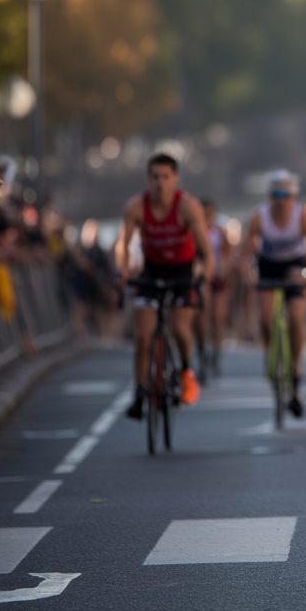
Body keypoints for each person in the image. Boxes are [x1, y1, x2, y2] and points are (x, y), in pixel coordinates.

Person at [116, 153, 214, 419]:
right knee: (143, 334)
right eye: (155, 177)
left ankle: (184, 369)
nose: (160, 183)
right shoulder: (135, 207)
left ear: (175, 179)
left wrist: (204, 276)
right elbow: (123, 245)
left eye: (166, 177)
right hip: (152, 271)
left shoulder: (188, 207)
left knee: (180, 327)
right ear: (148, 179)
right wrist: (123, 272)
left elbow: (205, 252)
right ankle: (139, 392)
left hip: (183, 271)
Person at [240, 170, 306, 419]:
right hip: (268, 266)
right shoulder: (258, 217)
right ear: (269, 196)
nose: (281, 201)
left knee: (296, 319)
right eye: (276, 195)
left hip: (295, 267)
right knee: (266, 318)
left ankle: (295, 368)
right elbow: (244, 255)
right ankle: (269, 353)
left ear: (294, 196)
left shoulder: (304, 216)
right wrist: (249, 276)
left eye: (286, 195)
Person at [199, 199, 233, 374]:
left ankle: (216, 354)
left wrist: (224, 269)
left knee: (217, 318)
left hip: (218, 278)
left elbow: (227, 254)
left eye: (209, 213)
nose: (207, 217)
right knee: (203, 317)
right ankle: (203, 352)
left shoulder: (220, 231)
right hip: (203, 278)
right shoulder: (195, 230)